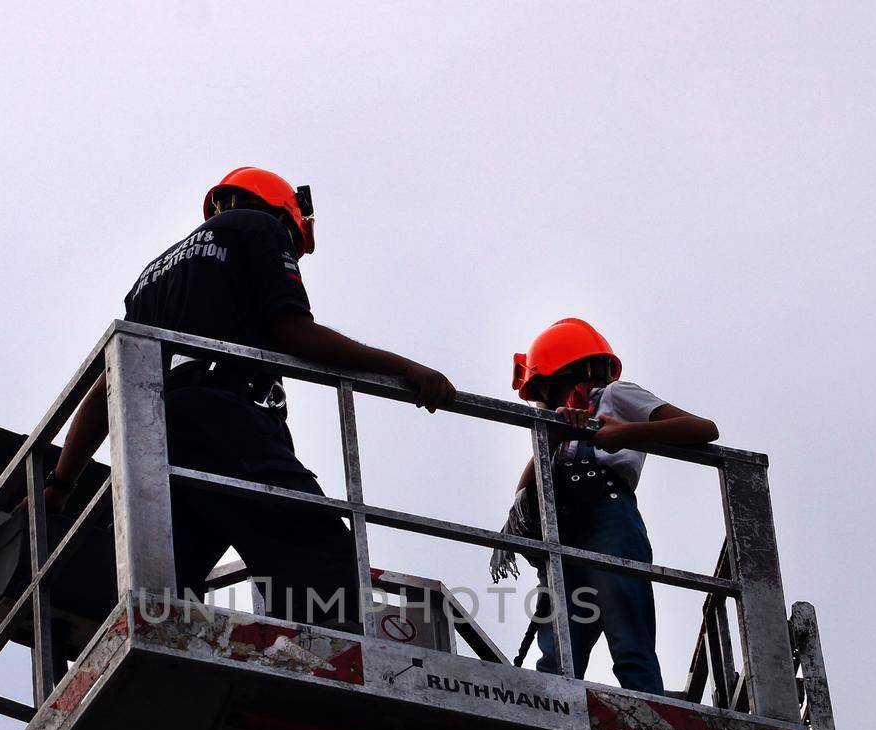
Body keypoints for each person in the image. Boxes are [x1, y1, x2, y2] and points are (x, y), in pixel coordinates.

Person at [45, 166, 454, 629]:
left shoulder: (152, 276)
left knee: (166, 587)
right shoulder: (260, 226)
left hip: (157, 441)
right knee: (320, 551)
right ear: (284, 214)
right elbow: (295, 332)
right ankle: (320, 676)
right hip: (225, 418)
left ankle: (174, 675)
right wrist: (406, 369)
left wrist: (60, 486)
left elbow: (106, 390)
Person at [496, 317, 719, 693]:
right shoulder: (561, 428)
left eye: (549, 390)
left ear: (566, 373)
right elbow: (525, 488)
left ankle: (648, 707)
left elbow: (703, 429)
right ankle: (554, 714)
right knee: (557, 652)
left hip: (609, 519)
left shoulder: (616, 396)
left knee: (627, 633)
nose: (548, 401)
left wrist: (624, 433)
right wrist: (553, 433)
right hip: (565, 532)